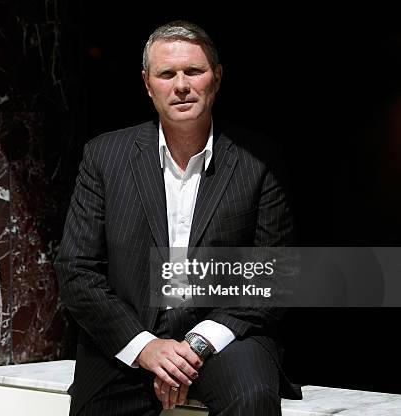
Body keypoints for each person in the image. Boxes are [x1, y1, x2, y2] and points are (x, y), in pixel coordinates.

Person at [54, 20, 302, 416]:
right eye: (166, 74)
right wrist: (145, 347)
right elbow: (76, 270)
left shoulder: (259, 159)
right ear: (148, 84)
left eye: (194, 71)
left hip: (224, 334)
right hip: (130, 334)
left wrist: (198, 344)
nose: (181, 85)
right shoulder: (104, 156)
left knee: (252, 398)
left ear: (217, 77)